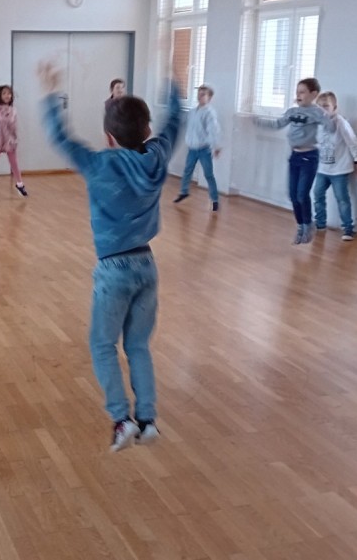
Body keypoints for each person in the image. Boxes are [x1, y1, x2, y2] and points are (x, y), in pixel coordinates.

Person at [39, 61, 182, 452]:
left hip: (113, 268)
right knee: (138, 346)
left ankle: (122, 419)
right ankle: (147, 420)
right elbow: (174, 124)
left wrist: (51, 94)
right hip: (147, 266)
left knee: (102, 345)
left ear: (108, 137)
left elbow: (61, 138)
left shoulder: (99, 163)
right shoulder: (156, 157)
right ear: (147, 131)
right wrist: (174, 82)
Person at [253, 78, 335, 244]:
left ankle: (308, 225)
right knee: (293, 195)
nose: (298, 95)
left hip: (309, 157)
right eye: (297, 92)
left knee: (302, 194)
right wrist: (258, 120)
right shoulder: (292, 112)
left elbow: (330, 128)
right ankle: (300, 226)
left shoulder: (317, 112)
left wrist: (326, 114)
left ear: (313, 94)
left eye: (302, 92)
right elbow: (277, 124)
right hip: (295, 157)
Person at [312, 91, 357, 240]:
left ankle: (348, 229)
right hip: (322, 169)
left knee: (342, 198)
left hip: (339, 170)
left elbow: (353, 143)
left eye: (326, 106)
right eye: (319, 107)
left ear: (334, 108)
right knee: (317, 194)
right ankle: (320, 223)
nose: (322, 110)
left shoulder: (341, 123)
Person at [174, 84, 221, 212]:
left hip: (204, 149)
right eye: (199, 94)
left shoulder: (209, 113)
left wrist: (215, 147)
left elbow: (213, 131)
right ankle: (184, 192)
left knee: (208, 174)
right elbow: (185, 124)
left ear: (209, 97)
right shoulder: (192, 112)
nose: (200, 96)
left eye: (203, 94)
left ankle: (215, 199)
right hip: (192, 149)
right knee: (187, 171)